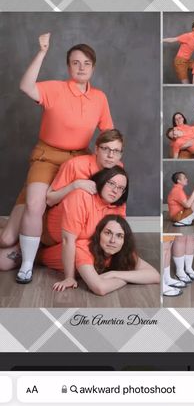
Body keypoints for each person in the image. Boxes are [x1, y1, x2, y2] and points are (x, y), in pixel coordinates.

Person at [0, 33, 113, 283]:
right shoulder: (55, 88)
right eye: (75, 62)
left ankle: (54, 247)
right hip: (47, 157)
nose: (81, 68)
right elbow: (25, 86)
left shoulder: (100, 98)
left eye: (86, 63)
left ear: (93, 67)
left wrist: (113, 163)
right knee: (29, 214)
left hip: (79, 160)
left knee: (80, 205)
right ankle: (27, 264)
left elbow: (108, 135)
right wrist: (41, 51)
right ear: (68, 66)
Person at [0, 166, 128, 280]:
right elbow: (69, 240)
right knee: (6, 238)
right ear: (103, 181)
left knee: (3, 262)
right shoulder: (82, 196)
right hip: (40, 231)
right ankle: (12, 225)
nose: (115, 190)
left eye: (121, 188)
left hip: (55, 245)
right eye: (111, 183)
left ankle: (21, 238)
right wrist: (69, 278)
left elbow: (118, 239)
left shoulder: (118, 207)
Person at [41, 214, 160, 295]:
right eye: (108, 233)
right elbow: (100, 288)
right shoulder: (83, 249)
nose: (113, 241)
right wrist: (130, 277)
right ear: (99, 235)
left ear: (124, 240)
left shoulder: (122, 250)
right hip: (39, 255)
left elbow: (155, 276)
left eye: (119, 236)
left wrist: (114, 274)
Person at [46, 128, 124, 207]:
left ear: (120, 155)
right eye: (106, 149)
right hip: (68, 213)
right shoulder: (74, 165)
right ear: (96, 149)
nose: (110, 155)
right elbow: (49, 200)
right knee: (81, 194)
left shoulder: (118, 168)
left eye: (116, 151)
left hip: (94, 214)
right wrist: (75, 185)